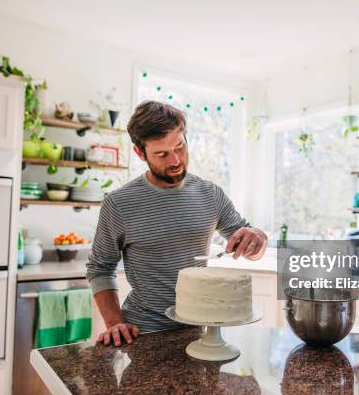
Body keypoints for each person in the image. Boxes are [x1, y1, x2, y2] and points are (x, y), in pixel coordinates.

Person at [86, 100, 267, 346]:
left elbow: (249, 243)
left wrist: (257, 237)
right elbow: (100, 268)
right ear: (140, 153)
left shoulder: (210, 194)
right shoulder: (119, 204)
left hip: (200, 333)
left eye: (180, 147)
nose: (175, 161)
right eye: (161, 154)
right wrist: (114, 323)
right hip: (143, 334)